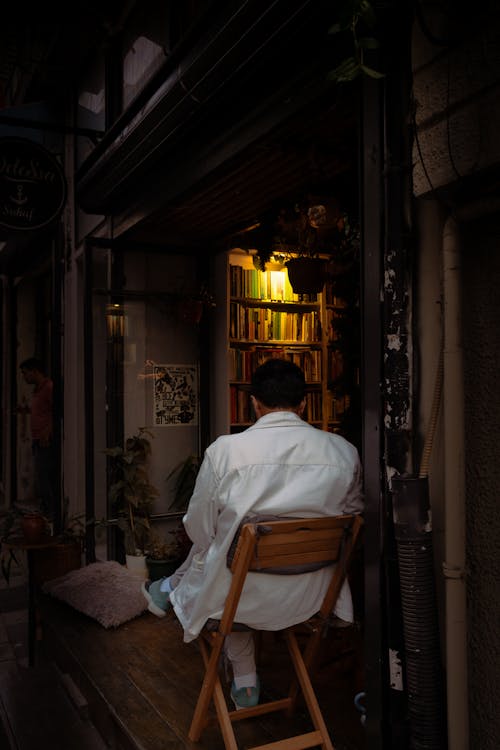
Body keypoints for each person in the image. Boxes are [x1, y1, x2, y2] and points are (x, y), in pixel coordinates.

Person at [142, 358, 363, 709]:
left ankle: (241, 675)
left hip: (238, 596)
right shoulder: (344, 452)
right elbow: (352, 518)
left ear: (253, 403)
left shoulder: (226, 451)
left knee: (220, 553)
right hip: (312, 596)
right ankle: (170, 591)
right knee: (229, 555)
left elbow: (198, 528)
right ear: (304, 404)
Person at [19, 357, 56, 521]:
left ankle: (51, 512)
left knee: (45, 478)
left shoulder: (48, 387)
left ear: (35, 371)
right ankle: (47, 510)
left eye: (25, 373)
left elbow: (57, 411)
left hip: (44, 441)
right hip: (37, 439)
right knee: (41, 477)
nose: (24, 377)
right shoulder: (37, 390)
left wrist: (48, 431)